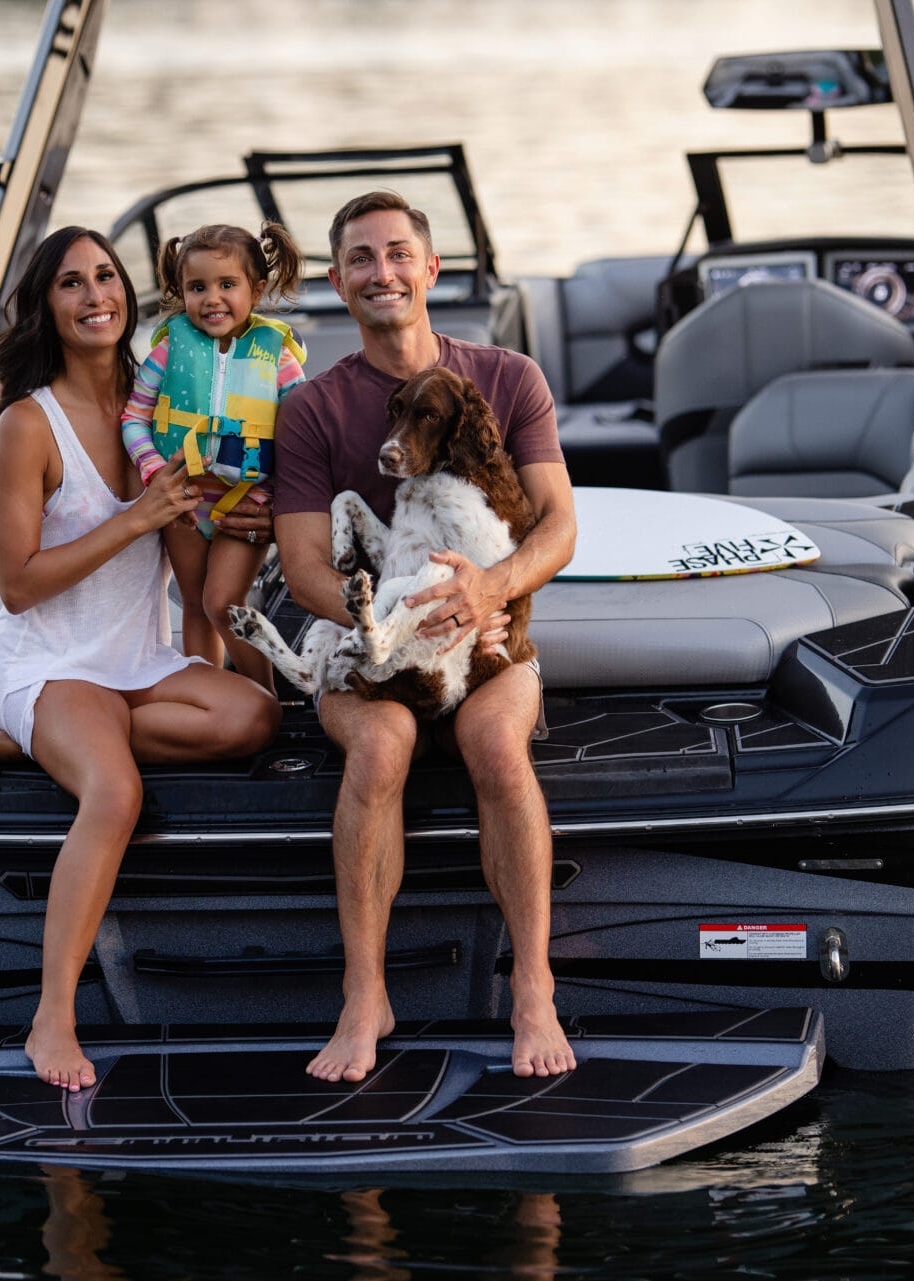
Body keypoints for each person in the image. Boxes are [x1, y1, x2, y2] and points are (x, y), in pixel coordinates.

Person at [0, 226, 281, 1091]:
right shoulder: (29, 424)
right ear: (46, 306)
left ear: (132, 295)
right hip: (50, 661)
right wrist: (132, 517)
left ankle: (40, 746)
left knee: (254, 714)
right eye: (71, 282)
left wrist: (246, 528)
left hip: (135, 660)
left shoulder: (160, 397)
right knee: (116, 791)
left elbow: (189, 566)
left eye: (106, 276)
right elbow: (18, 584)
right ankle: (51, 1017)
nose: (95, 294)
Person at [273, 191, 578, 1083]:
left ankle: (532, 987)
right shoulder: (311, 411)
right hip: (375, 645)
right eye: (360, 260)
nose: (382, 273)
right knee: (381, 743)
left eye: (398, 254)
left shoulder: (508, 377)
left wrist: (488, 590)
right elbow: (301, 570)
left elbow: (557, 526)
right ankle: (365, 994)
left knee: (494, 743)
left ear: (431, 268)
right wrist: (394, 621)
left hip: (488, 636)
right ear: (337, 282)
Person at [121, 222, 307, 689]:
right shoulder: (167, 352)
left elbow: (304, 434)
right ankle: (210, 697)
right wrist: (152, 471)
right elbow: (134, 418)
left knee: (223, 602)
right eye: (197, 287)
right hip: (181, 501)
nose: (212, 299)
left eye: (228, 285)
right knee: (196, 605)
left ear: (257, 289)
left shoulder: (279, 358)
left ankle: (265, 696)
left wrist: (280, 496)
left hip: (247, 502)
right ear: (180, 291)